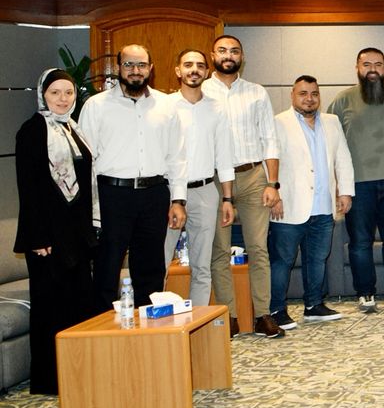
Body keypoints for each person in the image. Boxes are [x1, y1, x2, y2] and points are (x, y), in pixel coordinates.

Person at [76, 44, 186, 308]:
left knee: (151, 268)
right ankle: (102, 326)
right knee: (107, 265)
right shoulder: (96, 106)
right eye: (128, 65)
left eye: (141, 65)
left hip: (154, 195)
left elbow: (177, 156)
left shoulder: (166, 105)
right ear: (118, 68)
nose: (135, 70)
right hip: (112, 196)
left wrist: (178, 200)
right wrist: (89, 206)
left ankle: (149, 325)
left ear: (150, 68)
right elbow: (86, 161)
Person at [13, 69, 97, 395]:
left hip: (76, 235)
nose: (63, 99)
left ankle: (77, 374)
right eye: (55, 93)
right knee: (51, 308)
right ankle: (50, 380)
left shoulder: (73, 129)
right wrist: (38, 237)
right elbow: (28, 188)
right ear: (42, 95)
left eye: (69, 93)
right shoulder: (32, 131)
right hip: (47, 237)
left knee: (79, 305)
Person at [203, 34, 282, 337]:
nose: (228, 55)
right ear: (213, 55)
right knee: (219, 251)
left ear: (242, 57)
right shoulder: (201, 92)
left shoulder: (256, 92)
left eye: (234, 51)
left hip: (252, 177)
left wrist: (272, 183)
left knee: (258, 249)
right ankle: (230, 317)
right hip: (213, 180)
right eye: (222, 50)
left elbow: (270, 139)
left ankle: (262, 315)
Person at [326, 47, 384, 313]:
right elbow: (330, 144)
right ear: (357, 68)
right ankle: (365, 293)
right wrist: (338, 186)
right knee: (360, 242)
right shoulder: (342, 100)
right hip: (357, 186)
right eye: (367, 64)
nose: (373, 69)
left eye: (378, 64)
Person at [268, 76, 355, 329]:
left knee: (317, 259)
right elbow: (269, 161)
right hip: (288, 206)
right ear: (292, 95)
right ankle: (276, 310)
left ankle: (313, 305)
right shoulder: (277, 123)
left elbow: (343, 158)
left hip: (323, 207)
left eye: (314, 94)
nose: (309, 99)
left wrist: (345, 192)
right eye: (303, 93)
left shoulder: (332, 122)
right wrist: (274, 194)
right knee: (282, 261)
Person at [160, 50, 235, 312]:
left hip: (205, 191)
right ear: (178, 70)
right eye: (188, 65)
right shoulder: (164, 106)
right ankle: (156, 326)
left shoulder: (217, 108)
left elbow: (224, 156)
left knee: (202, 266)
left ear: (206, 72)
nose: (194, 70)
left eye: (200, 66)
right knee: (160, 262)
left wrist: (227, 198)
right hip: (168, 192)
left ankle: (197, 324)